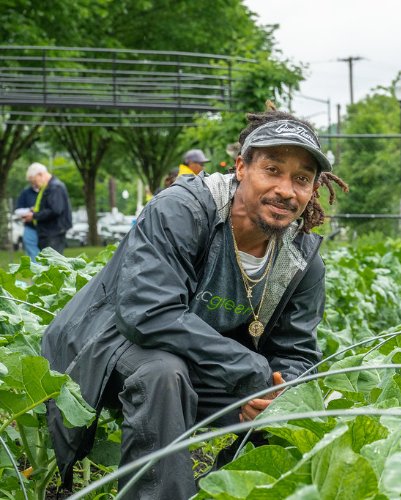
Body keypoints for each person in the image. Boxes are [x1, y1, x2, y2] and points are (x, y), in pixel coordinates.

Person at [41, 110, 349, 498]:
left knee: (289, 404)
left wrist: (276, 389)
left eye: (301, 179)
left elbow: (296, 350)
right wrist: (247, 369)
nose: (287, 190)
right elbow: (148, 312)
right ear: (241, 167)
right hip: (107, 342)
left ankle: (234, 490)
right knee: (162, 373)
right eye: (272, 170)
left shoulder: (302, 261)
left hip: (202, 360)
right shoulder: (183, 210)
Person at [19, 162, 71, 254]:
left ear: (40, 174)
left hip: (53, 233)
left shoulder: (55, 187)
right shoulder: (47, 187)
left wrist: (34, 216)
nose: (34, 185)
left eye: (34, 181)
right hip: (48, 233)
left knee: (52, 265)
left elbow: (55, 210)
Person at [12, 169, 41, 259]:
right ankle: (37, 271)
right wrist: (30, 210)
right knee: (33, 254)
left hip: (46, 229)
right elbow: (17, 210)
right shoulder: (26, 192)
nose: (33, 182)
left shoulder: (48, 191)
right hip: (30, 228)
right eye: (31, 180)